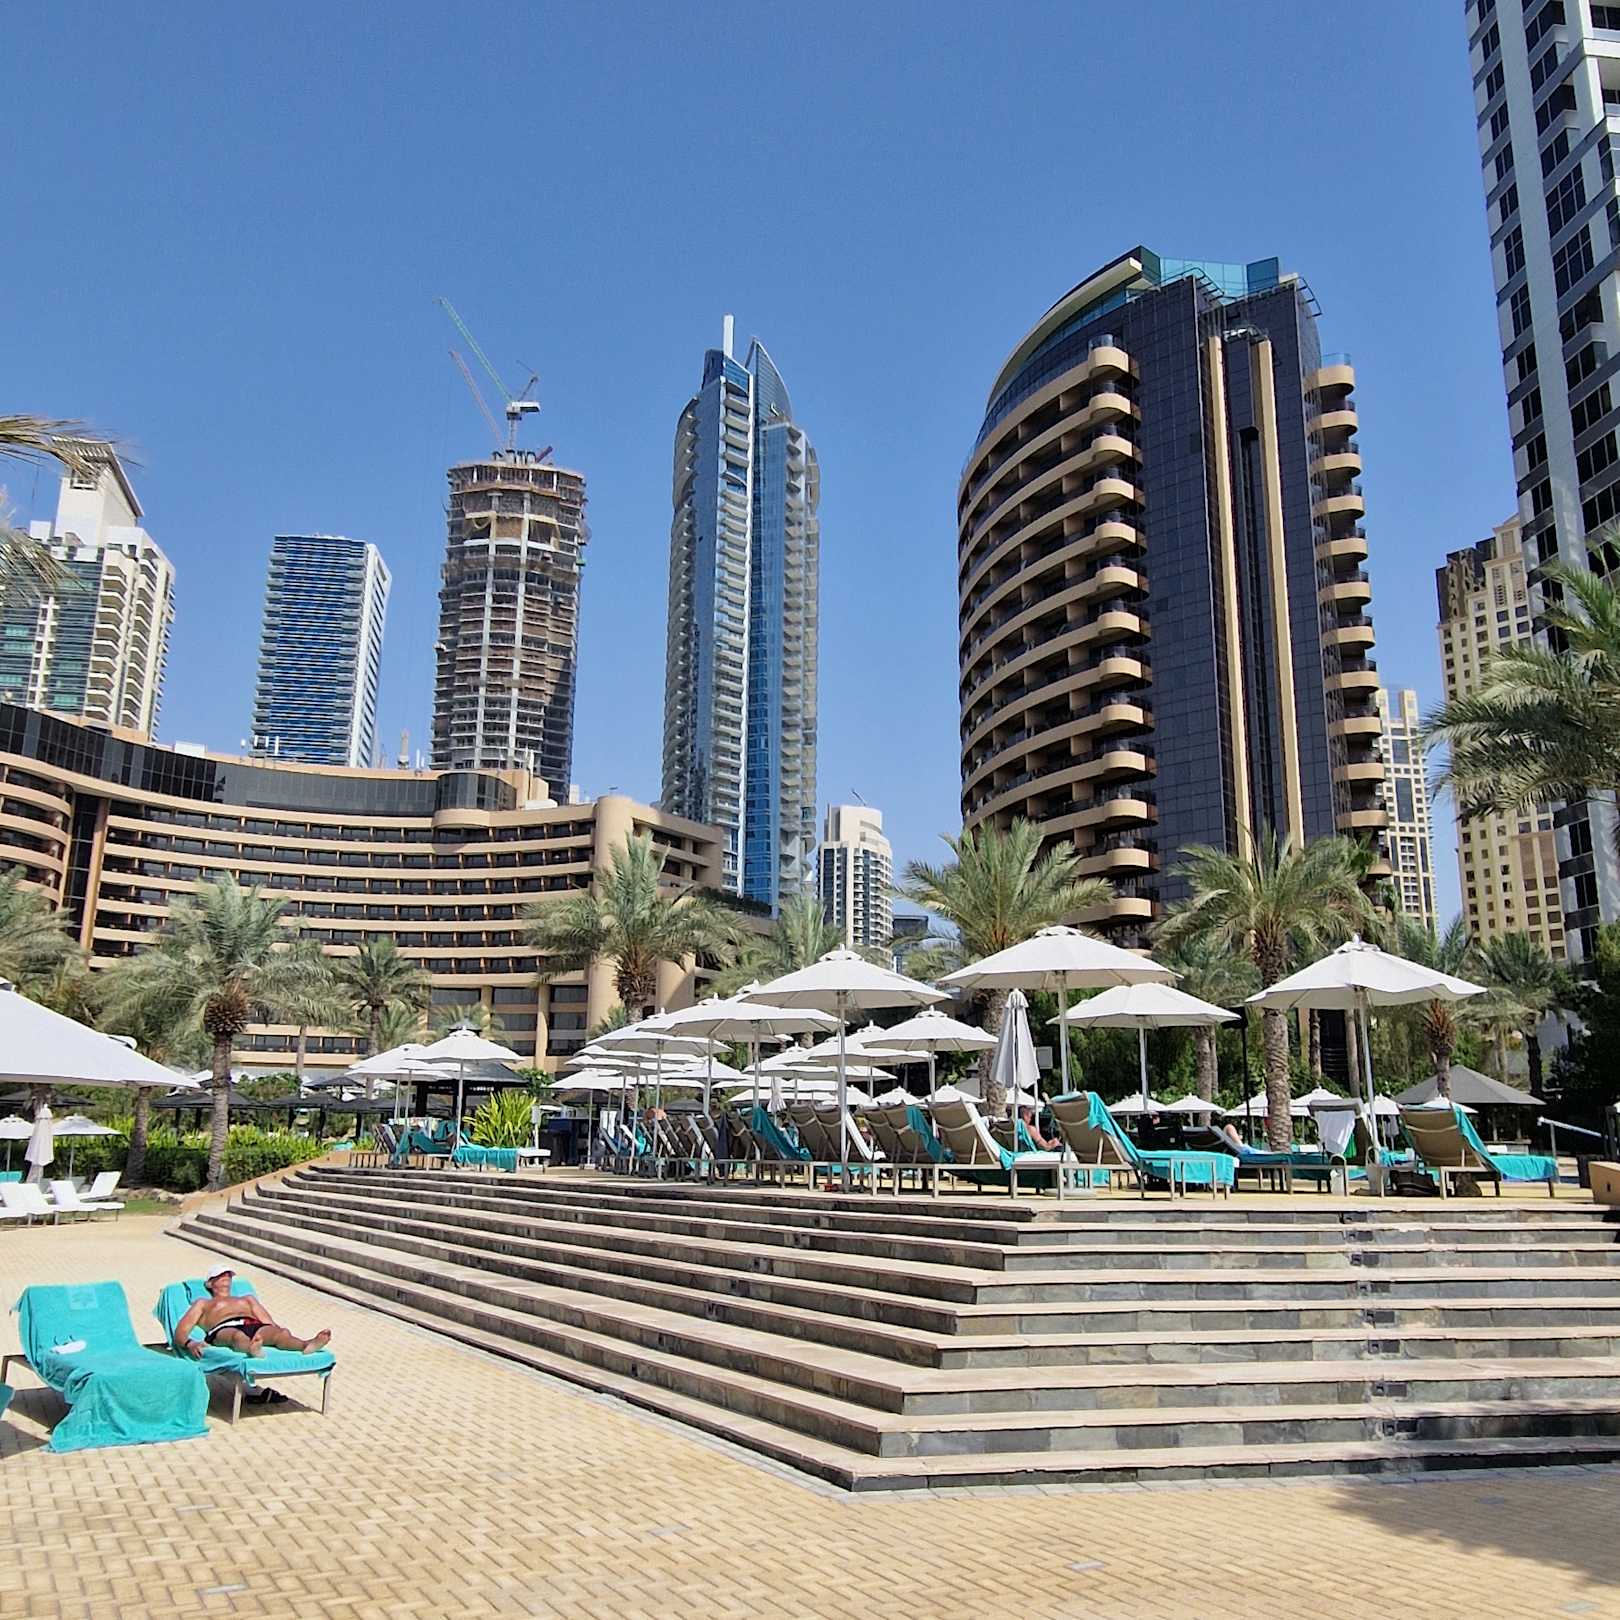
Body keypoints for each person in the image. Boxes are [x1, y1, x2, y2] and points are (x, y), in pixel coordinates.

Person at [173, 1265, 332, 1360]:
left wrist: (276, 1332)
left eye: (228, 1276)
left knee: (282, 1333)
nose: (226, 1278)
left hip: (252, 1325)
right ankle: (251, 1349)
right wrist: (189, 1343)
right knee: (238, 1336)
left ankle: (306, 1345)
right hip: (223, 1328)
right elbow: (181, 1330)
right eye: (221, 1276)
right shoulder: (203, 1303)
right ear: (209, 1283)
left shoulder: (247, 1299)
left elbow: (268, 1322)